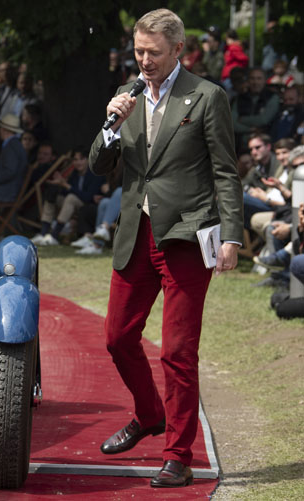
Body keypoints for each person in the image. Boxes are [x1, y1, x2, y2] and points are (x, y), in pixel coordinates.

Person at [88, 9, 243, 488]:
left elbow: (225, 171)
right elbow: (98, 164)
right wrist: (112, 123)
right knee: (117, 337)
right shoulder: (127, 97)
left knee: (177, 350)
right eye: (139, 51)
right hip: (135, 233)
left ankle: (179, 454)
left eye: (154, 52)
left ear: (179, 50)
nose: (145, 60)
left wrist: (233, 235)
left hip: (186, 236)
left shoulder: (207, 96)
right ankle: (149, 413)